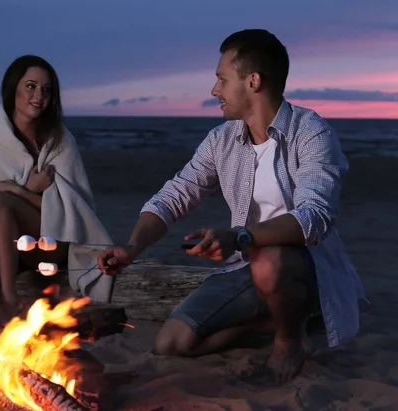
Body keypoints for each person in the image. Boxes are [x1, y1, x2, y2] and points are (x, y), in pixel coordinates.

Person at [97, 29, 366, 382]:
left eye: (222, 80)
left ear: (253, 81)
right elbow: (175, 195)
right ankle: (277, 317)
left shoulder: (312, 132)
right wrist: (133, 247)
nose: (214, 91)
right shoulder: (221, 139)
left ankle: (288, 339)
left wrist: (240, 236)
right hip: (245, 263)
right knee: (171, 343)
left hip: (303, 266)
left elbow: (313, 220)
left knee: (270, 259)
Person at [0, 55, 112, 330]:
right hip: (3, 245)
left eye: (47, 89)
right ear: (12, 88)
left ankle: (10, 297)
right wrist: (30, 191)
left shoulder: (61, 141)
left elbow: (75, 212)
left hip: (52, 244)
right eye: (30, 86)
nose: (39, 96)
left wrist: (19, 191)